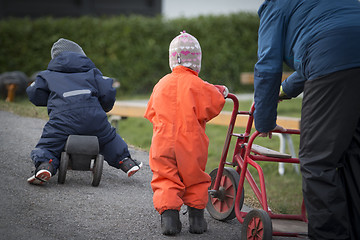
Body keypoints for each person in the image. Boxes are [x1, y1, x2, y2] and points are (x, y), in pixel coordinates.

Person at [253, 0, 360, 239]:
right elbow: (326, 45)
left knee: (317, 161)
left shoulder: (276, 5)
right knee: (354, 156)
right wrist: (284, 91)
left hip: (331, 62)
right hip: (341, 56)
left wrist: (264, 121)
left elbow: (268, 65)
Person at [144, 31, 228, 236]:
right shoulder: (199, 85)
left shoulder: (161, 83)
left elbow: (151, 112)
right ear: (197, 62)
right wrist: (221, 91)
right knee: (195, 178)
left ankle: (170, 221)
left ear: (172, 60)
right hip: (191, 141)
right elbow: (215, 103)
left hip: (162, 140)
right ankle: (197, 221)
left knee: (165, 178)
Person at [27, 38, 142, 185]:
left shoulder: (47, 75)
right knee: (108, 138)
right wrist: (105, 107)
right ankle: (126, 162)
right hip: (94, 117)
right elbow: (108, 90)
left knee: (49, 144)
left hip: (62, 121)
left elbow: (33, 93)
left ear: (55, 58)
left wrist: (51, 100)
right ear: (81, 56)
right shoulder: (92, 73)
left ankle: (45, 165)